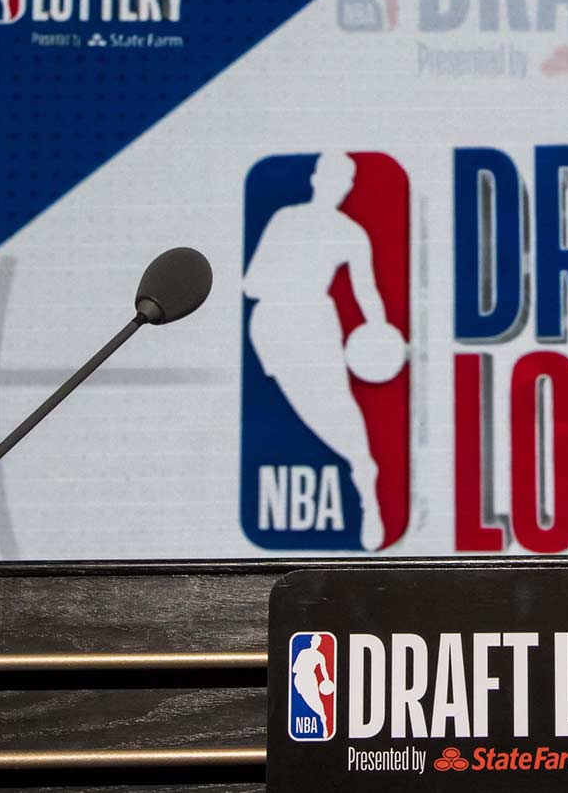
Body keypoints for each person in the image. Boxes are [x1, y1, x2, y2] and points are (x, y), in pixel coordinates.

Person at [243, 153, 392, 551]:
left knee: (338, 405)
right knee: (310, 410)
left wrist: (379, 330)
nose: (338, 186)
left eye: (346, 180)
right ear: (316, 178)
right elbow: (251, 282)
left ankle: (365, 476)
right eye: (332, 177)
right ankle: (362, 464)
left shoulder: (351, 233)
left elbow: (367, 291)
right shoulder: (285, 219)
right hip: (272, 324)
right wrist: (285, 279)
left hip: (315, 321)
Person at [290, 634, 332, 733]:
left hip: (310, 679)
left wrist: (327, 680)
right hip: (300, 679)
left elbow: (324, 671)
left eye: (317, 642)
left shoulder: (320, 656)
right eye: (314, 641)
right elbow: (294, 669)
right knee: (310, 701)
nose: (315, 643)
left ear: (319, 643)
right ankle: (323, 717)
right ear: (312, 642)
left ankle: (323, 719)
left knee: (315, 700)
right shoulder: (303, 652)